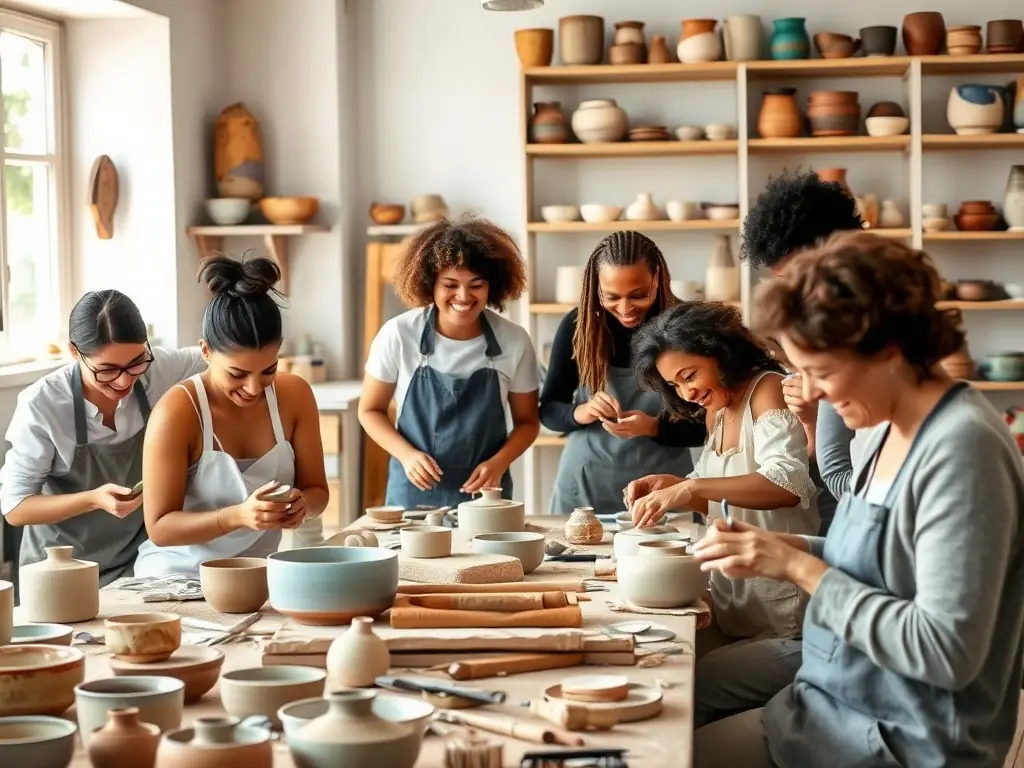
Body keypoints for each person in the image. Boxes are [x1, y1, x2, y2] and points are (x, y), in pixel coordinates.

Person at [692, 232, 1024, 768]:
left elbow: (945, 651)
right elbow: (885, 558)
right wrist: (784, 545)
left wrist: (801, 568)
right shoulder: (889, 427)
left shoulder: (964, 449)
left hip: (902, 740)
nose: (814, 394)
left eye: (821, 372)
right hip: (834, 709)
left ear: (887, 351)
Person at [626, 302, 819, 647]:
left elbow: (786, 484)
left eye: (689, 376)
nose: (686, 393)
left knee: (685, 676)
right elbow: (720, 499)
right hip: (735, 597)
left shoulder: (767, 389)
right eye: (674, 384)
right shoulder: (715, 409)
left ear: (720, 353)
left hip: (782, 607)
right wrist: (673, 487)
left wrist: (690, 488)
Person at [135, 255, 329, 577]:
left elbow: (318, 493)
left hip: (256, 576)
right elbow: (160, 527)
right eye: (237, 374)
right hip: (176, 577)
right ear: (206, 351)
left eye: (268, 370)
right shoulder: (178, 411)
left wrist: (301, 505)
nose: (253, 388)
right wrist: (238, 516)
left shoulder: (295, 396)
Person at [0, 291, 207, 587]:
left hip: (137, 564)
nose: (124, 380)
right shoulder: (42, 405)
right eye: (107, 370)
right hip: (60, 572)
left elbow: (217, 356)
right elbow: (15, 508)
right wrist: (93, 500)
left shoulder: (157, 370)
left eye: (136, 362)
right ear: (74, 352)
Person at [359, 218, 540, 508]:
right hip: (412, 496)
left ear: (492, 286)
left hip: (486, 497)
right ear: (430, 283)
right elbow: (369, 410)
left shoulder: (514, 341)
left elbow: (528, 422)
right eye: (450, 285)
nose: (464, 296)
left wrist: (499, 464)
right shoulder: (399, 335)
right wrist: (407, 455)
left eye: (476, 285)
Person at [543, 231, 704, 514]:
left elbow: (710, 425)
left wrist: (653, 427)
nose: (626, 308)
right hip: (584, 484)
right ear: (596, 287)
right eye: (611, 297)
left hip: (662, 490)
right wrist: (583, 412)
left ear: (658, 276)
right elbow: (548, 410)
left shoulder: (685, 328)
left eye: (638, 295)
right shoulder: (578, 327)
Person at [740, 168, 865, 530]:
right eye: (783, 279)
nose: (794, 290)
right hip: (837, 518)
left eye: (799, 273)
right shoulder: (811, 325)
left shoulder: (863, 329)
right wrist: (811, 421)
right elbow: (820, 464)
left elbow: (843, 471)